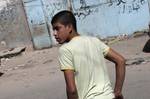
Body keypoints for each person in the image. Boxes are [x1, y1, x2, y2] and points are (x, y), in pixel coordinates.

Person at [51, 10, 126, 99]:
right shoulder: (94, 41)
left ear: (70, 27)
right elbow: (120, 60)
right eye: (53, 30)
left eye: (57, 28)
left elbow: (72, 90)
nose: (54, 33)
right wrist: (117, 92)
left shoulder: (65, 50)